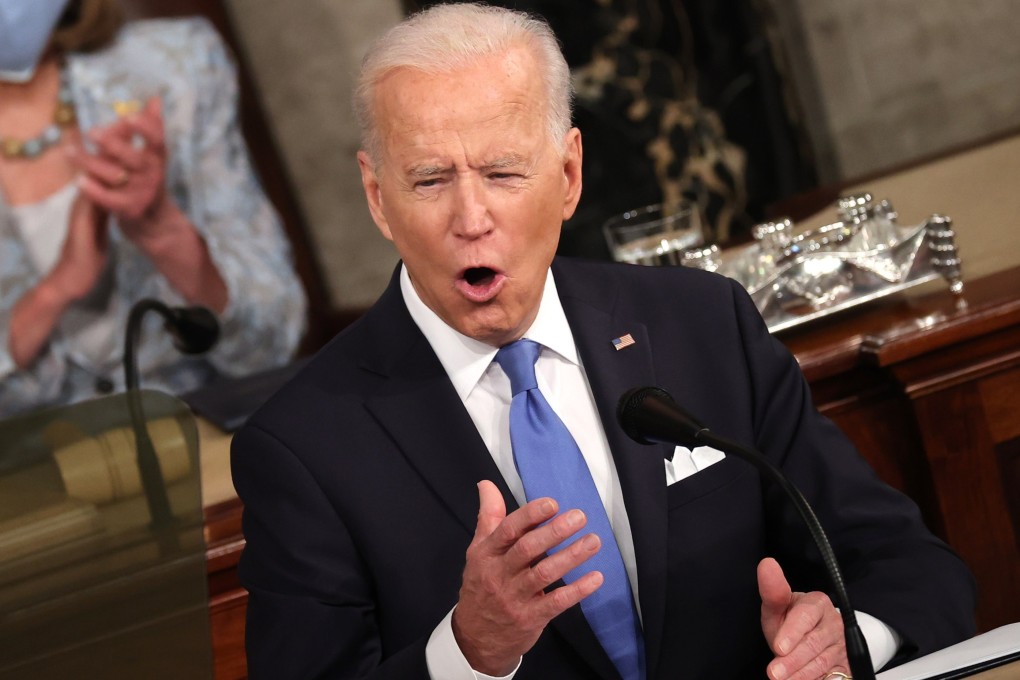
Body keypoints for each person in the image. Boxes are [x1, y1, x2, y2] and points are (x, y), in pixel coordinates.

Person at [231, 4, 975, 679]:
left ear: (569, 174)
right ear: (377, 198)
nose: (471, 216)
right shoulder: (302, 448)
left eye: (502, 171)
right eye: (430, 180)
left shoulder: (704, 326)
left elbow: (907, 566)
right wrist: (466, 651)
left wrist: (844, 641)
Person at [0, 0, 306, 418]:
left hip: (213, 437)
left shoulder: (175, 66)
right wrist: (53, 293)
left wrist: (165, 235)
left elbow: (273, 342)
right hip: (36, 471)